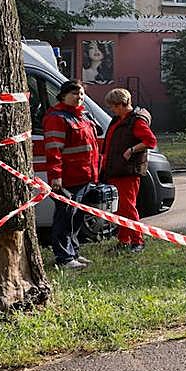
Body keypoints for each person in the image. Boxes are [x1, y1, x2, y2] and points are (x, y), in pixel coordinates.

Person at [43, 80, 101, 270]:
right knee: (64, 218)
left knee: (76, 218)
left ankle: (73, 252)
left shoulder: (82, 116)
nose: (79, 97)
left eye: (81, 94)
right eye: (74, 93)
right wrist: (56, 176)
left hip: (85, 176)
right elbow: (54, 150)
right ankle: (64, 258)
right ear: (63, 96)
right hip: (68, 178)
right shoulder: (57, 118)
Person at [101, 87, 157, 254]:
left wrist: (132, 150)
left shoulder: (136, 121)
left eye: (112, 106)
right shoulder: (119, 119)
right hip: (116, 169)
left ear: (121, 104)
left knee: (128, 208)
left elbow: (150, 141)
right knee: (120, 208)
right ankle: (124, 240)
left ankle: (137, 241)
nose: (111, 110)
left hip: (127, 171)